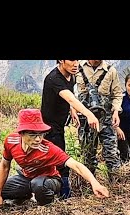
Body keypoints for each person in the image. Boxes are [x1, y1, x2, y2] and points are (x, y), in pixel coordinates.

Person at [0, 108, 109, 207]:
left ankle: (46, 203)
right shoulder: (11, 141)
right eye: (32, 135)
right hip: (26, 178)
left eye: (40, 135)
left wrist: (95, 183)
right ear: (21, 133)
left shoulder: (48, 149)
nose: (38, 139)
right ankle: (24, 194)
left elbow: (76, 165)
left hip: (49, 180)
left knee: (38, 184)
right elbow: (4, 166)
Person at [41, 60, 101, 199]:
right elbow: (71, 98)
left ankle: (55, 188)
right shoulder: (54, 78)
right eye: (71, 60)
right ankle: (63, 193)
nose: (75, 64)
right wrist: (89, 114)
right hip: (48, 126)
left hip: (60, 124)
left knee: (56, 155)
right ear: (61, 61)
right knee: (60, 157)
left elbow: (69, 95)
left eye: (77, 60)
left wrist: (71, 110)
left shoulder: (71, 75)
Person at [72, 60, 123, 180]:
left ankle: (115, 185)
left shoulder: (110, 71)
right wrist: (72, 108)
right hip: (85, 119)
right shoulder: (77, 67)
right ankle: (89, 184)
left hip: (105, 119)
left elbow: (117, 94)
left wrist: (116, 111)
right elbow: (69, 91)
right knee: (88, 153)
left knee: (111, 153)